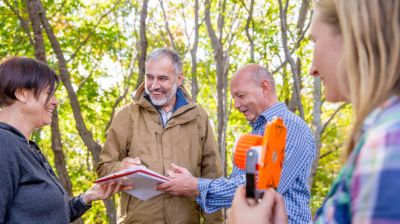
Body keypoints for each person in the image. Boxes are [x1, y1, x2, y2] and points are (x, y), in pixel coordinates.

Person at [227, 0, 400, 223]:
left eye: (315, 41)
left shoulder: (387, 142)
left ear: (353, 37)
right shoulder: (380, 135)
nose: (312, 69)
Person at [157, 64, 316, 223]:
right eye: (234, 98)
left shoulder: (288, 126)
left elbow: (261, 189)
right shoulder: (256, 133)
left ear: (264, 87)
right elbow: (239, 190)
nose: (236, 105)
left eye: (241, 96)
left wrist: (196, 186)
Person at [96, 48, 223, 224]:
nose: (154, 85)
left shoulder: (198, 117)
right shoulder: (127, 115)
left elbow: (212, 176)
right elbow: (104, 168)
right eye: (149, 77)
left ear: (179, 79)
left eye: (162, 78)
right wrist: (120, 169)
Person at [0, 57, 127, 223]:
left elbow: (46, 216)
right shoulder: (4, 144)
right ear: (21, 93)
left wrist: (85, 198)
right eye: (48, 93)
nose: (55, 101)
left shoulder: (28, 148)